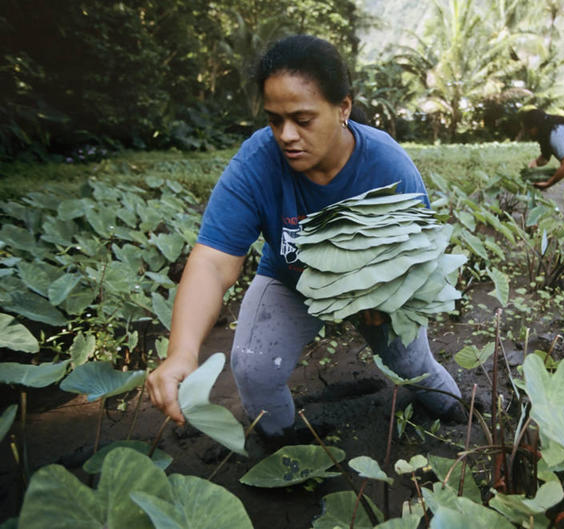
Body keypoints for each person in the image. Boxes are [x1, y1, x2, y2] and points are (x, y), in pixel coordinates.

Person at [146, 35, 462, 440]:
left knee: (413, 366)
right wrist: (182, 353)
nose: (287, 135)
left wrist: (384, 299)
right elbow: (212, 261)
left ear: (342, 107)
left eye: (302, 119)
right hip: (293, 279)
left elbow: (419, 258)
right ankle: (282, 442)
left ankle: (456, 411)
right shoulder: (256, 163)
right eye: (274, 120)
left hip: (380, 290)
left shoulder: (388, 166)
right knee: (253, 368)